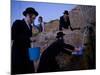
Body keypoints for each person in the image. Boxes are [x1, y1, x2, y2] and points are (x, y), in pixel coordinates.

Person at [11, 7, 38, 74]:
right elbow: (13, 36)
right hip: (18, 56)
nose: (33, 20)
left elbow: (30, 42)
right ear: (28, 15)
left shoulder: (31, 27)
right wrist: (28, 39)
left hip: (28, 56)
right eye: (33, 18)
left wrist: (34, 54)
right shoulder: (18, 23)